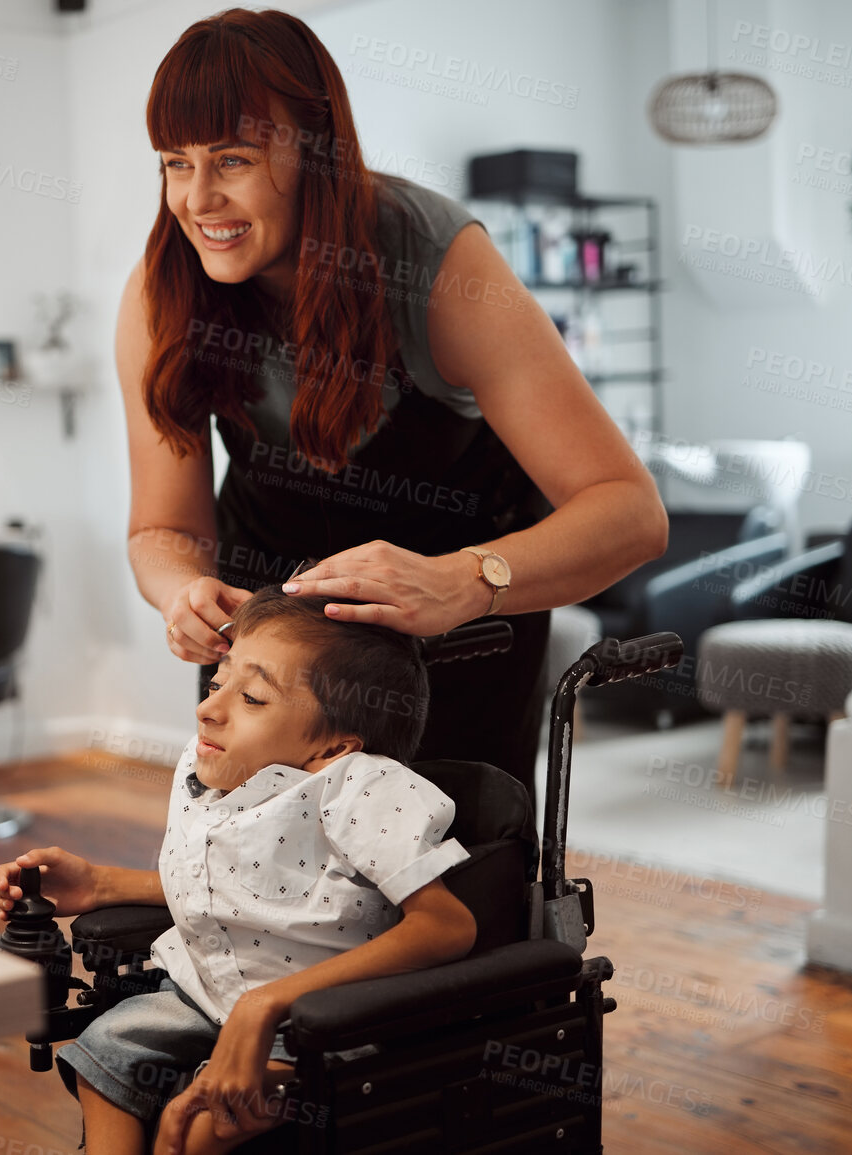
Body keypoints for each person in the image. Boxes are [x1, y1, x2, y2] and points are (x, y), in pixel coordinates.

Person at [118, 10, 668, 798]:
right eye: (175, 162)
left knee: (444, 895)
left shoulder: (438, 264)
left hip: (454, 648)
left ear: (313, 150)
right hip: (266, 663)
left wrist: (467, 580)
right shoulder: (159, 296)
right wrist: (181, 590)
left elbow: (630, 513)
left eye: (231, 158)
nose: (198, 198)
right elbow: (162, 529)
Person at [0, 587, 478, 1154]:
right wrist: (101, 883)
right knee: (102, 1056)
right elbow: (245, 896)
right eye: (218, 682)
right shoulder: (214, 774)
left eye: (251, 697)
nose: (208, 707)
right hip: (202, 992)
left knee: (203, 1122)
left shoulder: (359, 787)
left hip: (323, 1018)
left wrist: (266, 1005)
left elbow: (446, 926)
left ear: (331, 749)